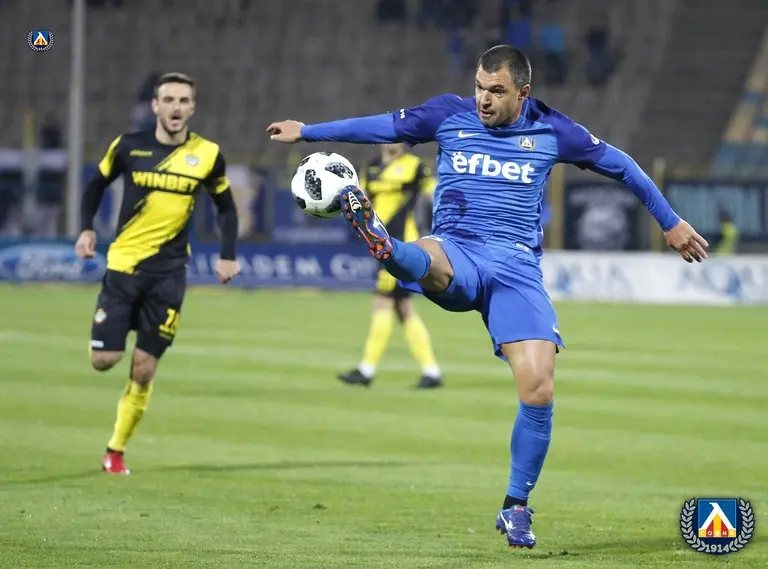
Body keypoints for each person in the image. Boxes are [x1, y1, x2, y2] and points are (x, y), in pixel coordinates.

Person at [267, 45, 708, 549]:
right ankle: (384, 244)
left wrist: (670, 222)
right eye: (479, 87)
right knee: (426, 258)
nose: (483, 99)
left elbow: (623, 165)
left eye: (496, 91)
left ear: (523, 92)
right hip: (457, 247)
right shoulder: (448, 114)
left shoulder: (553, 130)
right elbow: (383, 126)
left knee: (539, 387)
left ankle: (515, 506)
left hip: (517, 269)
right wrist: (310, 131)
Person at [75, 72, 241, 475]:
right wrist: (86, 228)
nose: (176, 107)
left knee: (145, 368)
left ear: (192, 107)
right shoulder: (128, 146)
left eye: (183, 100)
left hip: (169, 274)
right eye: (168, 100)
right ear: (155, 106)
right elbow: (95, 185)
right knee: (104, 360)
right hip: (124, 267)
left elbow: (226, 207)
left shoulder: (207, 154)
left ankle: (115, 451)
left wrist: (227, 255)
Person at [338, 143, 443, 389]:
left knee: (383, 301)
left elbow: (434, 193)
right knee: (403, 308)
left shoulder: (415, 166)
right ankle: (431, 371)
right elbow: (359, 198)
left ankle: (366, 370)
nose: (393, 143)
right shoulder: (372, 167)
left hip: (401, 245)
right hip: (380, 243)